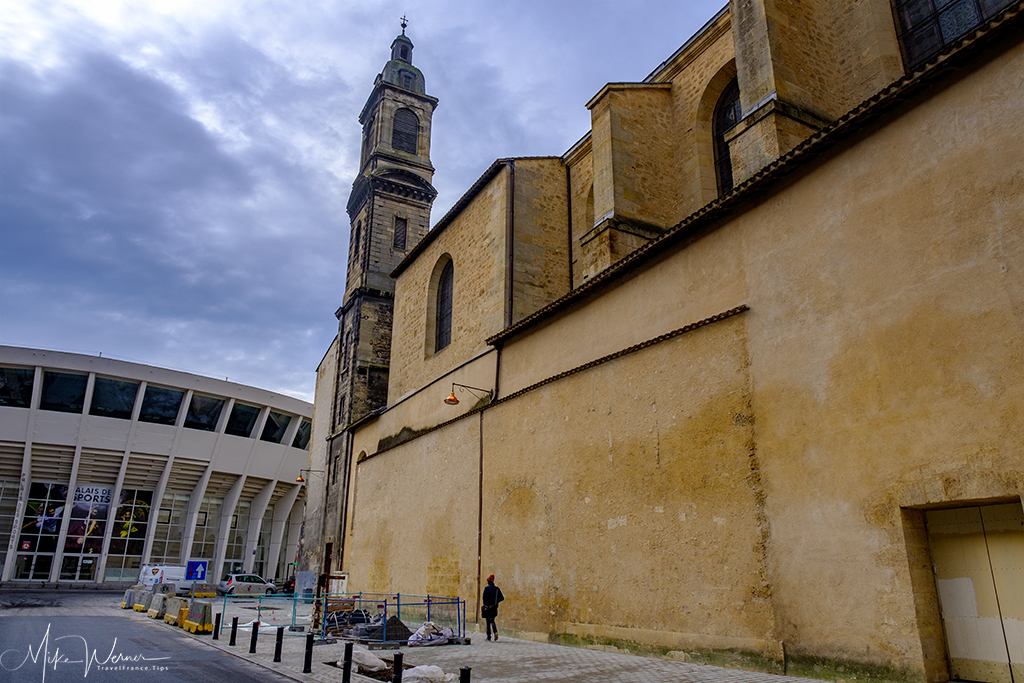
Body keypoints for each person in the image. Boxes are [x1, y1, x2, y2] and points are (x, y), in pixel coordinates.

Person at [481, 573, 504, 641]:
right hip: (494, 607)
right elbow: (502, 598)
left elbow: (484, 598)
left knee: (488, 621)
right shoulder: (497, 589)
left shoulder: (487, 588)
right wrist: (496, 602)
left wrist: (485, 604)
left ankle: (489, 636)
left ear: (488, 581)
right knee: (492, 620)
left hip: (488, 607)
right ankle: (495, 632)